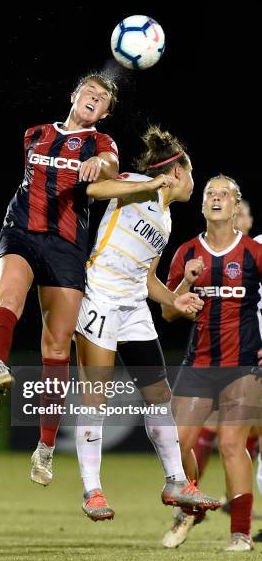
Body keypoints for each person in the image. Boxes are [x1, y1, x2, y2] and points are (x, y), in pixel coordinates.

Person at [74, 126, 221, 521]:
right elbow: (94, 191)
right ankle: (93, 491)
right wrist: (149, 181)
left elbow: (147, 277)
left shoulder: (167, 220)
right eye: (190, 173)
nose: (193, 182)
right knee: (96, 398)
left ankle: (175, 481)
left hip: (134, 306)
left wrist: (174, 297)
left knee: (159, 396)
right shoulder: (138, 184)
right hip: (101, 296)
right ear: (177, 172)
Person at [0, 73, 120, 486]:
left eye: (102, 98)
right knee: (8, 296)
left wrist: (102, 165)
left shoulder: (102, 144)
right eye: (89, 92)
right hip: (21, 231)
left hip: (66, 246)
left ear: (106, 112)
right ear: (75, 95)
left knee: (57, 344)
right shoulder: (36, 133)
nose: (94, 98)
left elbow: (111, 165)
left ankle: (44, 450)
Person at [161, 175, 262, 551]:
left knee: (233, 445)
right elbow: (168, 313)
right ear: (203, 206)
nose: (216, 198)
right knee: (176, 443)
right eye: (209, 194)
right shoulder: (187, 252)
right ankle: (194, 505)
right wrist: (185, 287)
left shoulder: (253, 252)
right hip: (199, 363)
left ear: (236, 207)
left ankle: (240, 533)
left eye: (224, 194)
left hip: (244, 365)